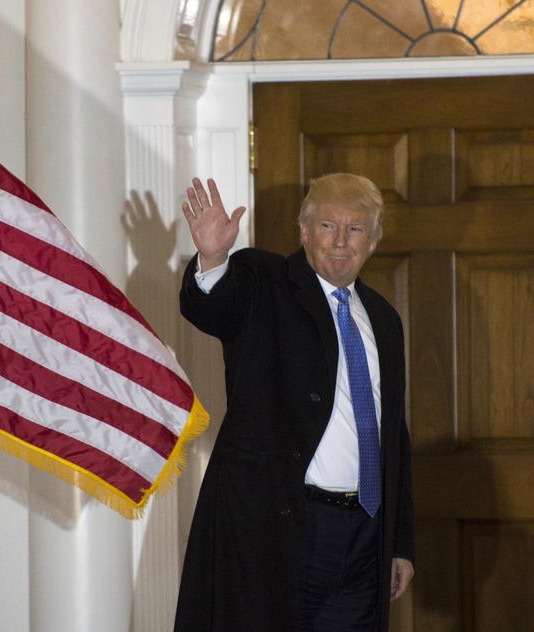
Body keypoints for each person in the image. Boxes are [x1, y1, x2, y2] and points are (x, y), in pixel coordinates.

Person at [174, 173, 414, 631]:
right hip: (280, 531)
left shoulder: (383, 317)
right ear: (304, 231)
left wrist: (399, 541)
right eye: (327, 226)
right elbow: (213, 307)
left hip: (365, 538)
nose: (340, 242)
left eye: (356, 228)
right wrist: (212, 257)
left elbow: (392, 433)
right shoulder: (263, 281)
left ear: (374, 240)